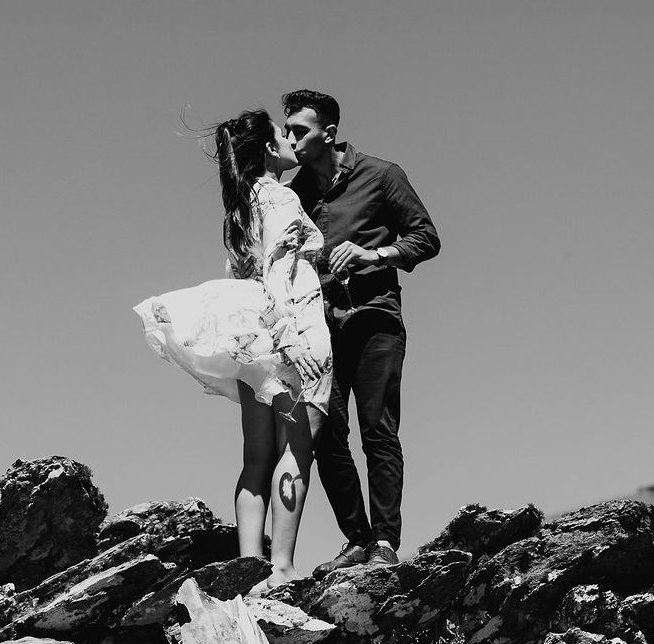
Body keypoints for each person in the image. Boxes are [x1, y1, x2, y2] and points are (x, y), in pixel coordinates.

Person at [133, 109, 334, 583]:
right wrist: (292, 336)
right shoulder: (281, 197)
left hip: (250, 339)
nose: (289, 140)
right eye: (282, 135)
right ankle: (282, 566)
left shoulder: (240, 207)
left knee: (255, 458)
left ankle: (250, 567)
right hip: (294, 328)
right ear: (267, 148)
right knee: (296, 450)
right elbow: (280, 266)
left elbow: (242, 273)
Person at [278, 89, 439, 570]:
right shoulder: (293, 194)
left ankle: (386, 543)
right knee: (326, 436)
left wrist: (375, 255)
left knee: (378, 430)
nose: (290, 139)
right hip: (320, 330)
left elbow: (426, 238)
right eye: (286, 130)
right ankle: (356, 540)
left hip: (376, 320)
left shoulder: (383, 174)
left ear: (328, 134)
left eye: (299, 130)